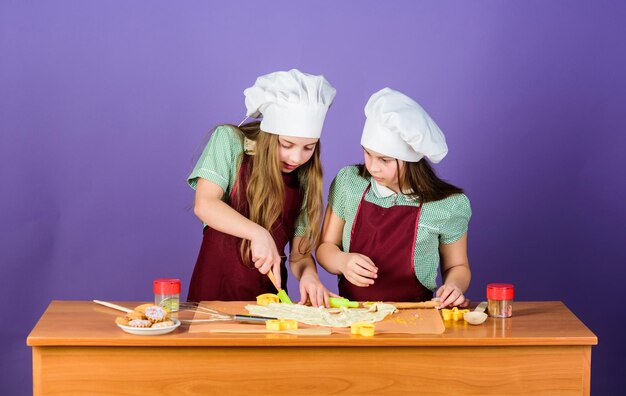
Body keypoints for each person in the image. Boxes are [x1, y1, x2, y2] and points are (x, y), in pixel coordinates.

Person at [187, 69, 336, 307]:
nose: (296, 157)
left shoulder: (304, 176)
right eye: (286, 144)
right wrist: (258, 233)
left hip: (270, 303)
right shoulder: (229, 141)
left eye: (308, 148)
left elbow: (300, 255)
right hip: (214, 296)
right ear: (269, 135)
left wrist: (309, 275)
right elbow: (205, 204)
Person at [316, 88, 471, 308]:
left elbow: (457, 266)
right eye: (367, 154)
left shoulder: (447, 205)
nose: (372, 167)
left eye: (384, 160)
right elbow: (325, 247)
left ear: (410, 160)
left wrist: (454, 287)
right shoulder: (349, 183)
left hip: (417, 317)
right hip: (354, 316)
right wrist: (342, 261)